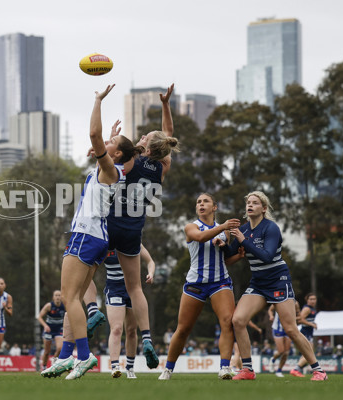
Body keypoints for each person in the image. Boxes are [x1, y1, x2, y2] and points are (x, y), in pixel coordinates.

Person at [41, 84, 143, 380]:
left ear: (117, 153)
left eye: (113, 142)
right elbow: (113, 148)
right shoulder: (116, 170)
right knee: (77, 296)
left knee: (71, 298)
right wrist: (116, 143)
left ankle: (83, 357)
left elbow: (94, 135)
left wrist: (98, 101)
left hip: (86, 236)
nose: (106, 142)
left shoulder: (111, 170)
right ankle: (64, 357)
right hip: (95, 237)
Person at [106, 84, 180, 369]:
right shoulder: (162, 166)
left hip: (111, 222)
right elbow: (168, 136)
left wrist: (112, 137)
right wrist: (165, 105)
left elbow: (111, 152)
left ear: (146, 146)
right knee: (135, 289)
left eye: (144, 136)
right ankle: (147, 338)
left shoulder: (132, 160)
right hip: (135, 229)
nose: (140, 136)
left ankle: (89, 311)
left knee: (79, 266)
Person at [225, 191, 327, 381]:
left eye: (255, 203)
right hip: (258, 283)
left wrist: (242, 240)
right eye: (248, 202)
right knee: (238, 320)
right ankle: (247, 370)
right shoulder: (244, 229)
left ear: (263, 208)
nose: (250, 205)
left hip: (278, 280)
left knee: (290, 329)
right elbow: (229, 255)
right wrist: (221, 241)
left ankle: (318, 370)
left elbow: (267, 256)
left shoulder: (270, 228)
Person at [159, 193, 241, 381]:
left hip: (220, 282)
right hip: (195, 283)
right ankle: (168, 369)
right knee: (183, 329)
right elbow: (201, 237)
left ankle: (224, 368)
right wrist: (223, 226)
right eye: (198, 202)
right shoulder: (191, 227)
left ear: (215, 207)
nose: (201, 204)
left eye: (205, 201)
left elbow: (225, 259)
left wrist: (239, 256)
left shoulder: (225, 231)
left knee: (227, 322)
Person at [105, 244, 155, 379]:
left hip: (133, 291)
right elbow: (91, 265)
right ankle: (115, 366)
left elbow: (150, 261)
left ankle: (130, 368)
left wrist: (151, 273)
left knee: (132, 330)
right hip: (114, 290)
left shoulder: (131, 239)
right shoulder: (104, 242)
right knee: (116, 329)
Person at [268, 301, 301, 377]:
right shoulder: (278, 300)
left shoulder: (295, 303)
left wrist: (292, 318)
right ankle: (273, 359)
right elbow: (270, 310)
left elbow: (300, 316)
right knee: (281, 351)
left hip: (288, 329)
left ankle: (279, 370)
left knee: (286, 353)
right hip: (278, 328)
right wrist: (271, 316)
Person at [290, 293, 319, 377]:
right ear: (307, 300)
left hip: (309, 333)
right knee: (309, 353)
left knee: (308, 354)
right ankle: (296, 369)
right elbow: (300, 319)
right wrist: (311, 324)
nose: (313, 301)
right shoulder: (307, 308)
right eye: (311, 299)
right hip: (306, 333)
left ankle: (298, 369)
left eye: (314, 299)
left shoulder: (311, 308)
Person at [37, 290, 66, 369]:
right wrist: (45, 325)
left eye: (59, 295)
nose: (57, 297)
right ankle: (44, 367)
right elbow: (39, 317)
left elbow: (69, 316)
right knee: (47, 351)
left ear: (61, 297)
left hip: (59, 329)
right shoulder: (49, 306)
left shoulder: (64, 306)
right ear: (53, 297)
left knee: (60, 348)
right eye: (56, 295)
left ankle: (54, 363)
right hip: (49, 330)